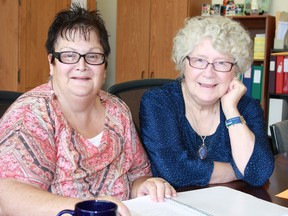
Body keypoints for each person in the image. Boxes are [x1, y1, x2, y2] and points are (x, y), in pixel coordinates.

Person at [0, 4, 176, 216]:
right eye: (68, 55)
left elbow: (136, 174)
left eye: (92, 56)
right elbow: (7, 196)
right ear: (51, 63)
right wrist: (89, 209)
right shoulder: (32, 114)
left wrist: (146, 186)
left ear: (104, 65)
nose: (81, 66)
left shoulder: (117, 109)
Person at [139, 15, 274, 188]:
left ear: (236, 70)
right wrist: (240, 171)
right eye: (199, 60)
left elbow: (260, 172)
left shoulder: (246, 107)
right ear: (184, 63)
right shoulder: (158, 102)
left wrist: (231, 109)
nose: (209, 73)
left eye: (222, 63)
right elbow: (175, 172)